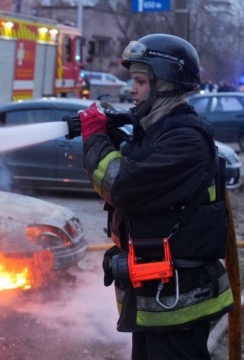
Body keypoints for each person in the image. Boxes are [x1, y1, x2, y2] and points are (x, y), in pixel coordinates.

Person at [77, 34, 234, 360]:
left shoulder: (185, 139)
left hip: (178, 299)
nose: (130, 89)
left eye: (139, 80)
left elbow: (120, 187)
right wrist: (114, 132)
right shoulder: (157, 130)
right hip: (155, 294)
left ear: (165, 83)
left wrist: (94, 141)